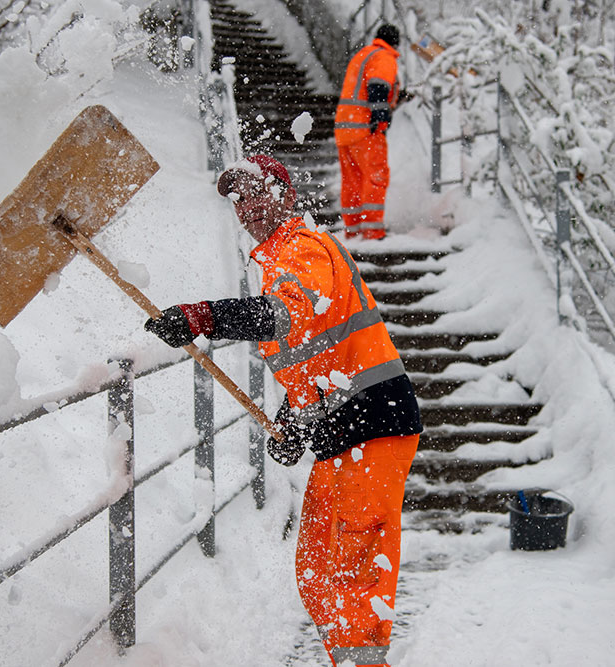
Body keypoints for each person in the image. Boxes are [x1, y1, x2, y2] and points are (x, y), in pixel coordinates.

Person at [144, 154, 422, 667]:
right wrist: (295, 423)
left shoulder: (303, 248)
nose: (245, 207)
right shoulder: (275, 262)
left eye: (255, 193)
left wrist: (207, 316)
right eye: (237, 199)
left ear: (285, 197)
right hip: (343, 432)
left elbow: (288, 314)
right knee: (317, 568)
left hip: (375, 423)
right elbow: (315, 360)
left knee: (353, 571)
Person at [334, 23, 402, 241]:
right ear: (395, 43)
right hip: (365, 129)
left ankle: (353, 230)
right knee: (375, 177)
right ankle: (373, 231)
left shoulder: (363, 54)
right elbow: (378, 87)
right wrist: (381, 119)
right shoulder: (384, 57)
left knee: (352, 181)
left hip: (345, 128)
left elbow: (363, 88)